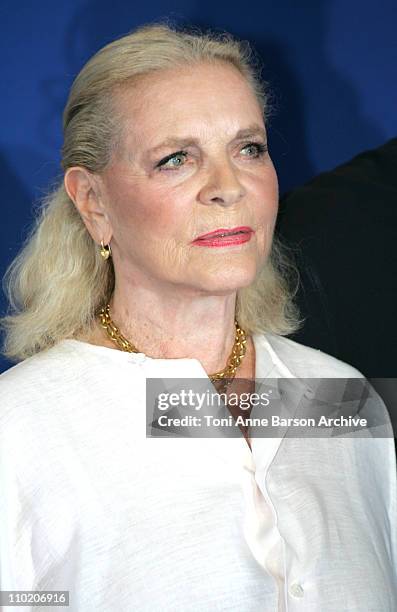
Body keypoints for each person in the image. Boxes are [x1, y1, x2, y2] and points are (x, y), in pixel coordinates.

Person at [0, 23, 395, 612]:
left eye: (249, 148)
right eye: (176, 159)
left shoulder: (343, 398)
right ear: (93, 201)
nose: (228, 187)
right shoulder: (22, 429)